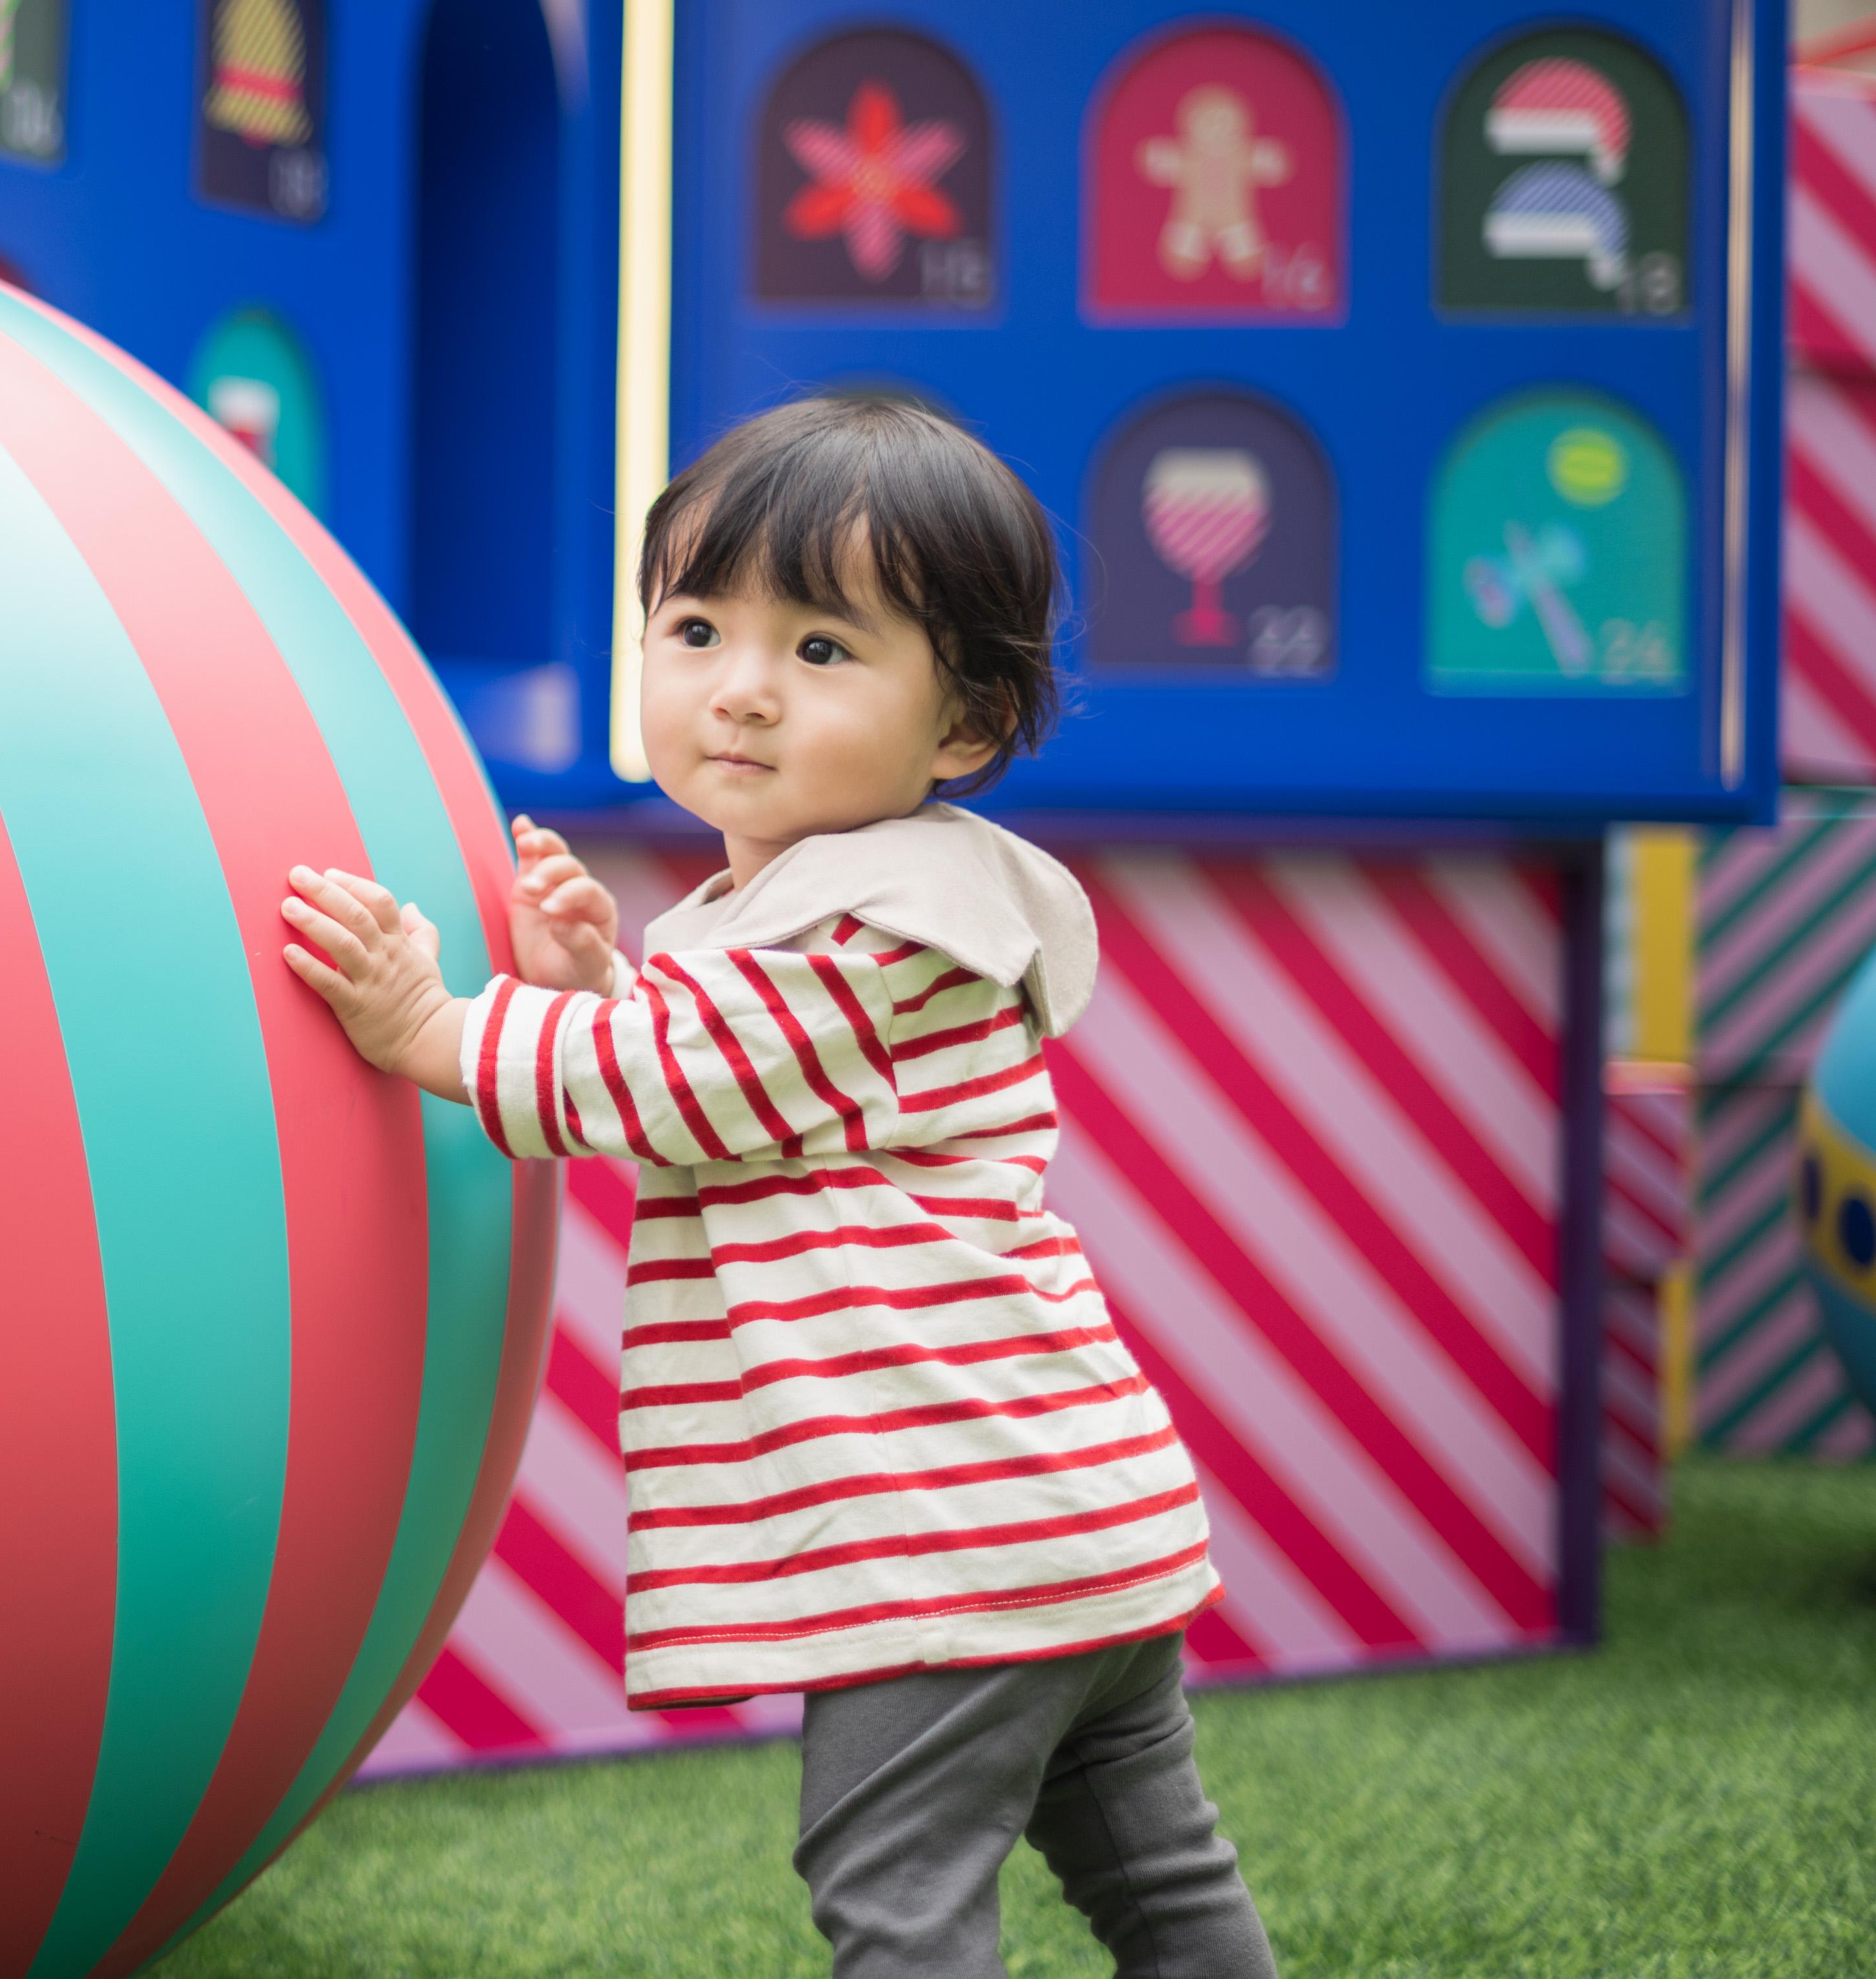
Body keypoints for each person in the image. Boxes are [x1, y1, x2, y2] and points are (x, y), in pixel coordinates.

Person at [282, 396, 1275, 1979]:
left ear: (964, 726)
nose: (740, 688)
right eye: (695, 629)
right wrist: (598, 986)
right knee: (1154, 1878)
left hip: (945, 1533)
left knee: (896, 1893)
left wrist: (433, 1026)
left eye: (821, 649)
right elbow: (730, 1105)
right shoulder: (832, 918)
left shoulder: (884, 928)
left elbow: (674, 1081)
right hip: (1053, 1520)